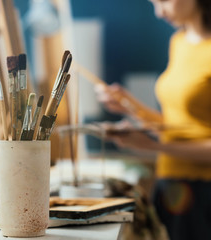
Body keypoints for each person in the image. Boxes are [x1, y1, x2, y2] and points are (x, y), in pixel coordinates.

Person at [95, 0, 211, 239]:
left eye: (164, 1)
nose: (159, 13)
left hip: (205, 190)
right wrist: (128, 106)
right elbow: (177, 124)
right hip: (171, 182)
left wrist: (150, 145)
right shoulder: (179, 42)